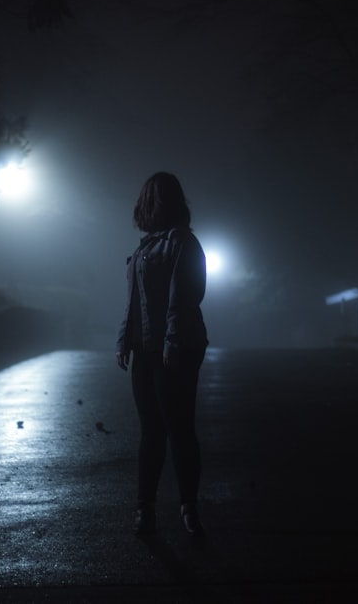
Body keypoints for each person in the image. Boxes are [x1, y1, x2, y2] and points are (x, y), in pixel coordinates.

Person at [116, 171, 209, 537]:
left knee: (178, 428)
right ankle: (146, 508)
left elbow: (185, 294)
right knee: (152, 431)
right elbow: (133, 302)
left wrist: (171, 340)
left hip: (176, 348)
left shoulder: (182, 243)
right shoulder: (146, 247)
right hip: (147, 348)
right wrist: (125, 339)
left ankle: (187, 506)